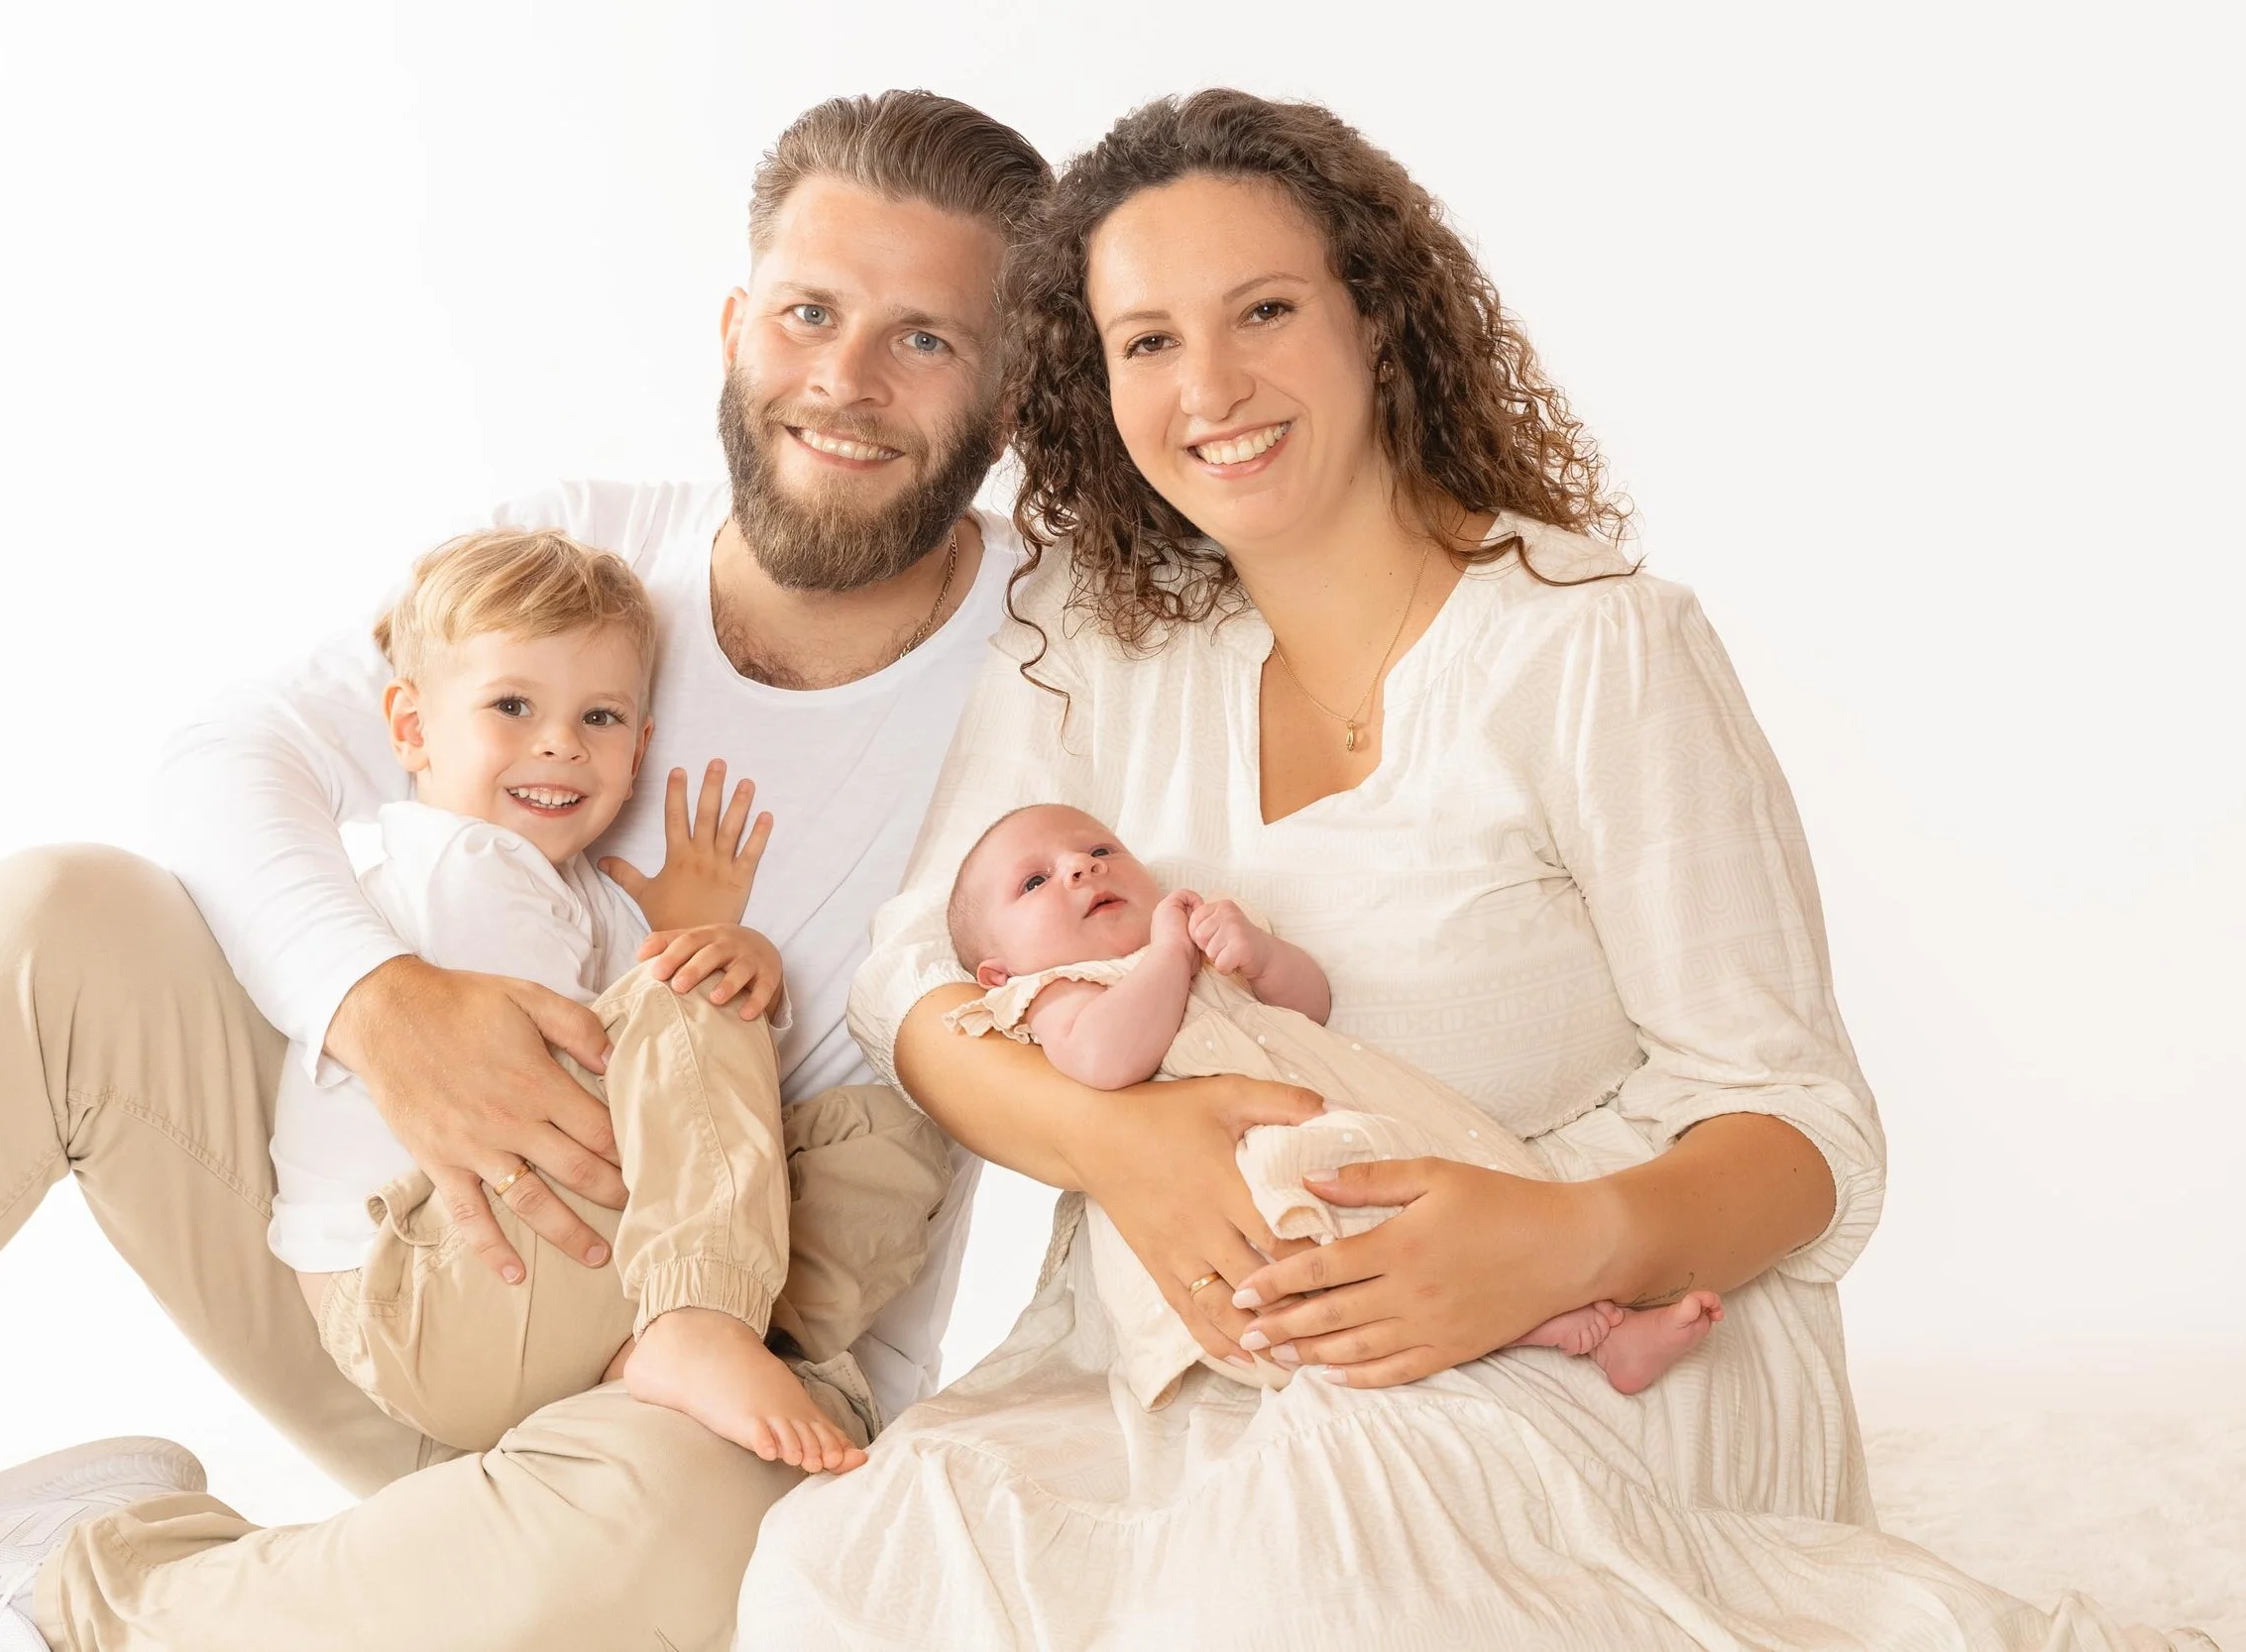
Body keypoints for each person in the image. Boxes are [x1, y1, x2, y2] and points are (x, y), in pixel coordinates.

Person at [735, 90, 2199, 1648]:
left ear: (1377, 320)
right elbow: (918, 971)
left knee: (1282, 1583)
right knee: (841, 1567)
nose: (1210, 384)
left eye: (1265, 311)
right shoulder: (1100, 646)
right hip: (1195, 1344)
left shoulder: (1594, 646)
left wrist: (1563, 1241)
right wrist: (1128, 1151)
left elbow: (1807, 1123)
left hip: (1601, 1333)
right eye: (1146, 340)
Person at [0, 90, 1049, 1652]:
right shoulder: (586, 553)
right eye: (808, 312)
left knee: (652, 1544)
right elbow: (233, 753)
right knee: (59, 919)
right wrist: (380, 1001)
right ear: (734, 323)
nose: (842, 382)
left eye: (924, 338)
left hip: (704, 1395)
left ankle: (40, 1591)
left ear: (1010, 383)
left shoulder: (1064, 657)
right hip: (395, 1298)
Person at [272, 527, 956, 1475]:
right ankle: (699, 1322)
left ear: (638, 747)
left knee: (885, 1132)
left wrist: (703, 937)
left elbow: (672, 1098)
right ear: (413, 727)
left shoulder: (574, 889)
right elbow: (604, 1088)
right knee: (692, 992)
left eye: (599, 718)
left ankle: (685, 1340)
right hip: (427, 1285)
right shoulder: (463, 870)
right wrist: (697, 966)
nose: (558, 741)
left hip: (528, 1276)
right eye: (512, 705)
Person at [944, 801, 1723, 1405]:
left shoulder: (1201, 939)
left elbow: (1309, 1003)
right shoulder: (1050, 996)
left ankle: (1586, 1319)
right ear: (995, 971)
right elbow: (1108, 1060)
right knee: (1337, 1258)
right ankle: (1558, 1331)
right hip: (1226, 1189)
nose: (1081, 867)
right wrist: (1170, 955)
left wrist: (1262, 955)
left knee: (1453, 1203)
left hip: (1330, 1125)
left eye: (1099, 849)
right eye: (1036, 880)